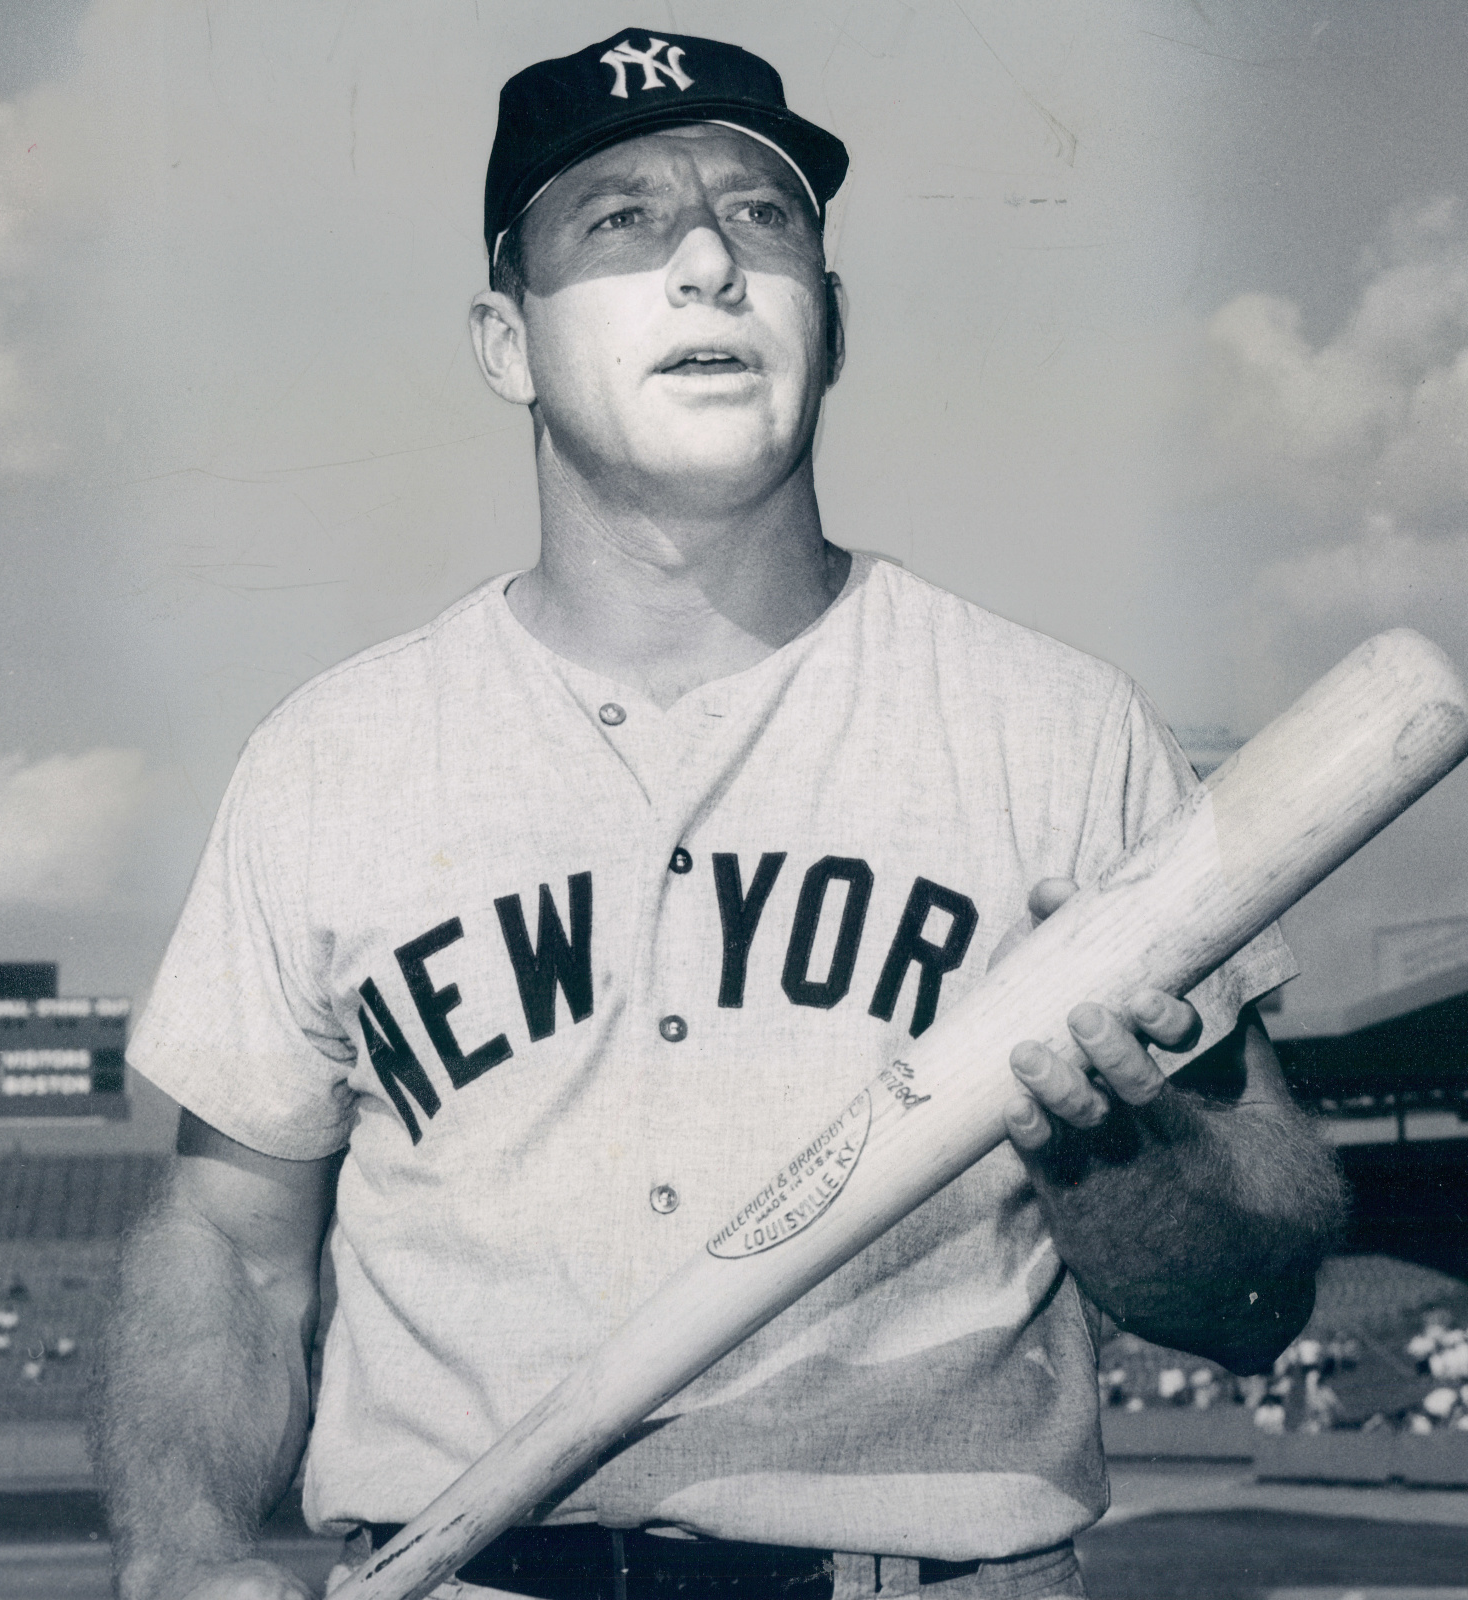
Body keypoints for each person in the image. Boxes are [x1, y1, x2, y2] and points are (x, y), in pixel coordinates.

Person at [93, 29, 1344, 1600]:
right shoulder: (329, 756)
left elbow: (1260, 1284)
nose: (706, 260)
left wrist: (1129, 1175)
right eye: (617, 220)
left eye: (763, 220)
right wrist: (177, 1544)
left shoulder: (1058, 730)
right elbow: (227, 1243)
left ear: (834, 324)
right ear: (505, 341)